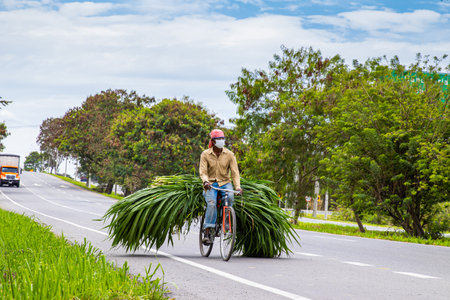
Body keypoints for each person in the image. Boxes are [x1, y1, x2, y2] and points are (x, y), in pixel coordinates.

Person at [199, 129, 242, 244]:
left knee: (230, 198)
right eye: (218, 139)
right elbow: (203, 171)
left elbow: (235, 173)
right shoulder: (205, 154)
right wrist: (205, 182)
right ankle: (207, 231)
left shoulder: (229, 155)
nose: (221, 141)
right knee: (212, 203)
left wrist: (237, 187)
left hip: (225, 183)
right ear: (213, 141)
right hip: (211, 184)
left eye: (222, 139)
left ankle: (226, 221)